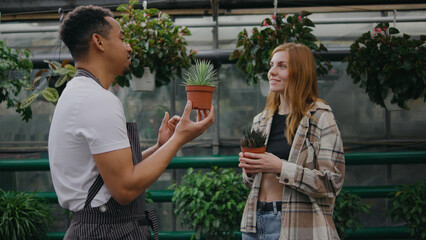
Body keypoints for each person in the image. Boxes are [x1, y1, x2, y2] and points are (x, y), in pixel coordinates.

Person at [48, 5, 214, 239]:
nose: (129, 46)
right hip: (107, 231)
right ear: (99, 42)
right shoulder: (97, 100)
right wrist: (179, 139)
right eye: (122, 38)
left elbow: (106, 174)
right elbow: (124, 188)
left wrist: (161, 146)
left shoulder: (77, 93)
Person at [238, 43, 345, 240]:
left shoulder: (320, 118)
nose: (272, 72)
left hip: (296, 225)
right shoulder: (261, 120)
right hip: (254, 223)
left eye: (282, 66)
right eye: (272, 65)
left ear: (300, 72)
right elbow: (250, 182)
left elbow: (332, 183)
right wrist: (249, 169)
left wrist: (280, 166)